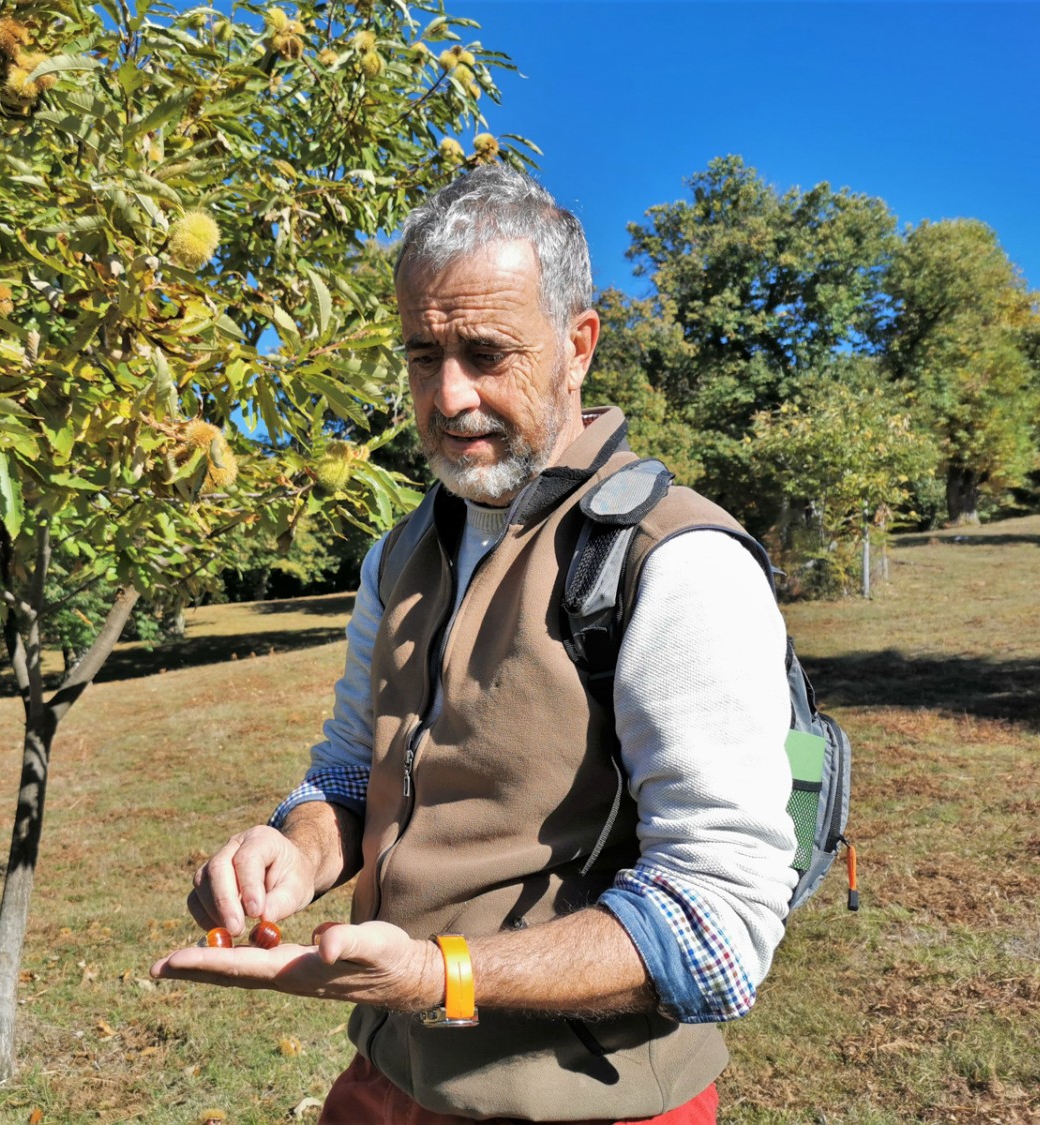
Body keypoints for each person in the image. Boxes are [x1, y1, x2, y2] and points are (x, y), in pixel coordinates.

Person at [151, 165, 797, 1125]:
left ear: (578, 346)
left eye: (486, 352)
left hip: (589, 1106)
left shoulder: (678, 562)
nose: (449, 396)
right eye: (423, 355)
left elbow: (719, 929)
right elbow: (345, 772)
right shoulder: (402, 551)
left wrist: (437, 975)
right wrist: (294, 848)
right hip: (389, 1078)